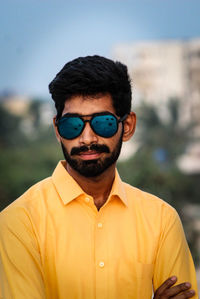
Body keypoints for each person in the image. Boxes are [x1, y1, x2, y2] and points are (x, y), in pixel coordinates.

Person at [0, 55, 198, 299]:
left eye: (102, 123)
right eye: (72, 125)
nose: (87, 139)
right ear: (57, 130)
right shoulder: (19, 223)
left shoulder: (161, 221)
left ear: (127, 127)